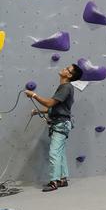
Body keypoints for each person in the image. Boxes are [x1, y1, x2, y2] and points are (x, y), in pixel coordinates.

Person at [25, 64, 82, 192]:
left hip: (60, 124)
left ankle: (54, 182)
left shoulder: (66, 87)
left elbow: (50, 103)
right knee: (60, 153)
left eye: (67, 69)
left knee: (54, 153)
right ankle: (62, 179)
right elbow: (56, 108)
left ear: (69, 75)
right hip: (61, 123)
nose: (64, 68)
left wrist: (34, 95)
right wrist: (38, 111)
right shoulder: (65, 87)